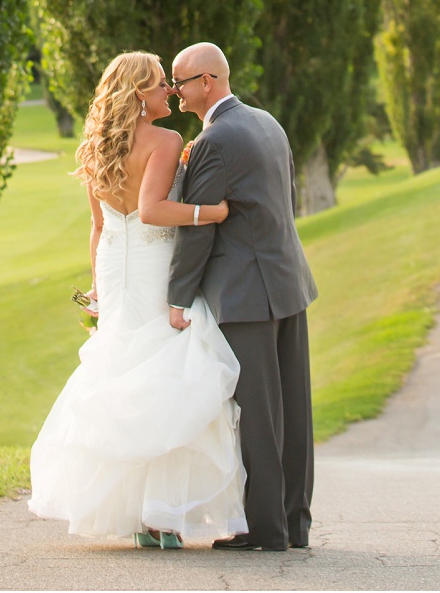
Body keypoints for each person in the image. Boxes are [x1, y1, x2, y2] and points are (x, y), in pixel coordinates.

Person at [28, 51, 247, 548]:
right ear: (138, 96)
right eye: (157, 85)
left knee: (122, 371)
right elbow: (153, 211)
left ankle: (135, 517)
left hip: (114, 266)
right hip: (152, 267)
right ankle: (162, 516)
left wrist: (99, 288)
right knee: (165, 376)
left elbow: (100, 225)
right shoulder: (167, 140)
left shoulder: (97, 146)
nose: (168, 91)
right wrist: (212, 213)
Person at [168, 41, 318, 552]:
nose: (175, 90)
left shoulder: (215, 140)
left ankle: (268, 530)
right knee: (293, 411)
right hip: (286, 280)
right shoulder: (266, 122)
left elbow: (201, 228)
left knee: (257, 413)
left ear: (206, 82)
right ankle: (294, 524)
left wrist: (177, 297)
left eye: (180, 82)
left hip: (245, 293)